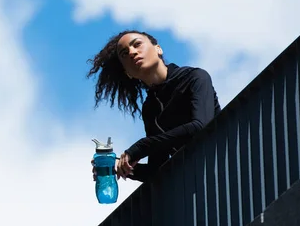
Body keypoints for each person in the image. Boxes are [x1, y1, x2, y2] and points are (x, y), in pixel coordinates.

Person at [88, 30, 221, 182]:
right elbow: (157, 168)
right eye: (124, 53)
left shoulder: (195, 77)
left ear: (158, 49)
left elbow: (200, 125)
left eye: (137, 44)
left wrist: (140, 148)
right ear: (128, 73)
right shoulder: (150, 109)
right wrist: (119, 166)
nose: (132, 52)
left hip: (224, 165)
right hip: (198, 182)